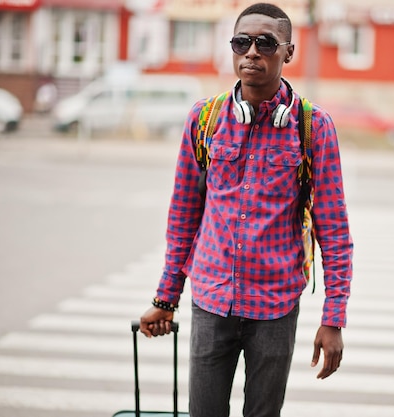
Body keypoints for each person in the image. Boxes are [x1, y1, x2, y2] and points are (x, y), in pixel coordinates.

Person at [139, 3, 353, 417]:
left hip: (275, 308)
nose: (252, 52)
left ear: (287, 52)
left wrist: (333, 318)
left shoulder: (314, 127)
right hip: (210, 303)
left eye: (265, 43)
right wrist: (166, 297)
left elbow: (335, 231)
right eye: (242, 42)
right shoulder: (204, 118)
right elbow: (183, 216)